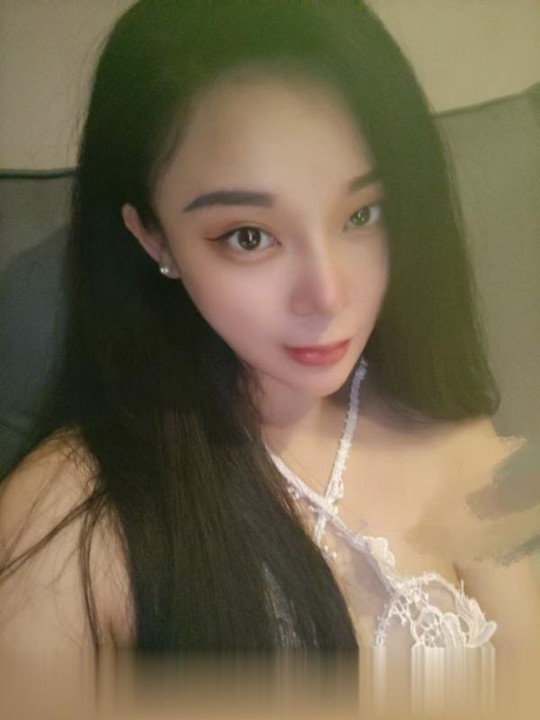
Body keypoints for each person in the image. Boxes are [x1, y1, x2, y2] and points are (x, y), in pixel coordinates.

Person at [1, 1, 539, 716]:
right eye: (250, 236)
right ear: (154, 237)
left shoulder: (446, 428)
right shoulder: (69, 528)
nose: (328, 295)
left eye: (361, 214)